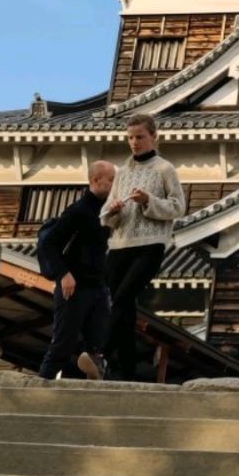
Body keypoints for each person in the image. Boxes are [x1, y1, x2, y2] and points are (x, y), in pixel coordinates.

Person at [101, 112, 185, 381]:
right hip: (118, 246)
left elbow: (178, 207)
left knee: (124, 298)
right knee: (123, 307)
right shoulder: (121, 173)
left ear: (154, 137)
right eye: (130, 138)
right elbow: (104, 216)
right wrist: (112, 210)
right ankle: (124, 369)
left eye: (140, 137)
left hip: (150, 245)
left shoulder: (165, 169)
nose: (134, 142)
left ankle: (99, 353)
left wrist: (149, 200)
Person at [38, 159, 116, 381]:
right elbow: (49, 243)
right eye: (111, 180)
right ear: (95, 180)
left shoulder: (106, 211)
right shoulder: (78, 210)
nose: (114, 184)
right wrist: (63, 274)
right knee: (64, 342)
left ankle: (95, 383)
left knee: (99, 342)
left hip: (99, 285)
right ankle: (37, 389)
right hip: (74, 286)